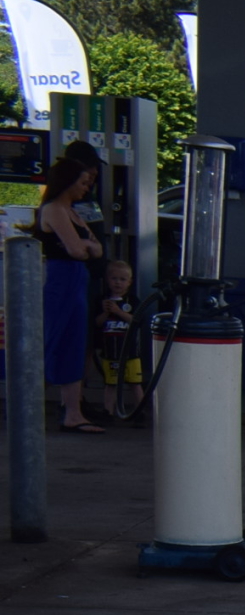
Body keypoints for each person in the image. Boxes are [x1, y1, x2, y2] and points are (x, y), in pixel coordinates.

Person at [31, 154, 107, 433]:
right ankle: (28, 403)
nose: (86, 188)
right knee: (53, 340)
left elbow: (96, 248)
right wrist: (86, 245)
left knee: (75, 344)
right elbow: (79, 250)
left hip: (76, 281)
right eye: (83, 182)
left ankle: (73, 413)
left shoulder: (75, 211)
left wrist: (86, 245)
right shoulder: (53, 210)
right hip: (60, 280)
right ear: (68, 182)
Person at [94, 257, 142, 422]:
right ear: (108, 280)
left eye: (122, 279)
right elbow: (97, 323)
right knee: (110, 383)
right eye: (114, 279)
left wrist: (119, 311)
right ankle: (108, 412)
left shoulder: (132, 301)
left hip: (130, 352)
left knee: (135, 382)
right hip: (110, 352)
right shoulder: (102, 300)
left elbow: (136, 321)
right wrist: (107, 312)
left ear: (129, 282)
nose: (118, 283)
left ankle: (139, 411)